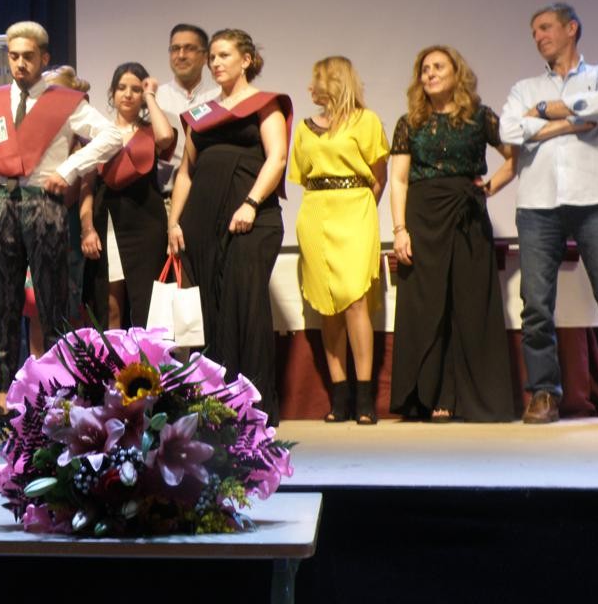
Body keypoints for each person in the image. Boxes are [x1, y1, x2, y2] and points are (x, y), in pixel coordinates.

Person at [0, 21, 123, 427]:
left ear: (44, 58)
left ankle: (56, 398)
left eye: (28, 57)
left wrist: (69, 169)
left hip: (43, 205)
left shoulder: (63, 102)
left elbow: (111, 136)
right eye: (13, 56)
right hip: (1, 204)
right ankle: (4, 400)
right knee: (3, 304)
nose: (19, 63)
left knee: (52, 305)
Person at [499, 3, 598, 425]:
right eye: (533, 32)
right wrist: (570, 120)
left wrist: (540, 113)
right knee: (536, 305)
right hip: (538, 205)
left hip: (597, 201)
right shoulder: (524, 88)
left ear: (571, 28)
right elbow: (508, 130)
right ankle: (543, 393)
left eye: (545, 28)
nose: (538, 37)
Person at [167, 28, 292, 422]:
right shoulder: (201, 114)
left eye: (224, 55)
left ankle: (253, 411)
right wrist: (173, 222)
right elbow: (186, 171)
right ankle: (212, 408)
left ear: (246, 60)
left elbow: (277, 158)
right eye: (213, 58)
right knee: (209, 311)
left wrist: (251, 203)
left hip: (251, 221)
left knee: (245, 306)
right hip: (201, 225)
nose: (216, 63)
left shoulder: (265, 104)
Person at [389, 45, 516, 422]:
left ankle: (476, 399)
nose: (429, 73)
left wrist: (490, 187)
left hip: (466, 213)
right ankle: (433, 396)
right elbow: (398, 180)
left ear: (456, 73)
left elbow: (516, 157)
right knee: (427, 306)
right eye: (424, 68)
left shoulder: (480, 117)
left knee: (471, 303)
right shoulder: (409, 122)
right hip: (422, 217)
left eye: (438, 66)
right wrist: (399, 230)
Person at [289, 57, 388, 424]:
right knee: (326, 304)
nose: (309, 87)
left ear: (334, 81)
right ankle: (340, 394)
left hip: (356, 210)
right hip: (316, 212)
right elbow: (303, 175)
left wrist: (360, 207)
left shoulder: (367, 121)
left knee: (355, 300)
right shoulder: (304, 128)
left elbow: (379, 176)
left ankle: (364, 396)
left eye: (316, 79)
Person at [80, 62, 175, 328]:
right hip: (108, 222)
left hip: (147, 223)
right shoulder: (98, 134)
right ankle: (114, 356)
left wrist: (151, 95)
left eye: (136, 89)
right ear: (112, 93)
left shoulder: (150, 131)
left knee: (147, 305)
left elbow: (166, 138)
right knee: (110, 304)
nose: (128, 94)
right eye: (122, 88)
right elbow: (87, 186)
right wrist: (87, 228)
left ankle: (146, 356)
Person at [154, 24, 219, 199]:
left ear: (205, 57)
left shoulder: (219, 97)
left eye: (189, 48)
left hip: (210, 195)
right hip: (164, 198)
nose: (181, 55)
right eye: (175, 49)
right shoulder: (154, 99)